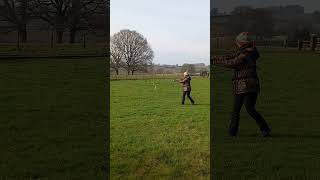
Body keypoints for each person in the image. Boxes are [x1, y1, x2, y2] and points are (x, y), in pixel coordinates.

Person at [212, 32, 271, 137]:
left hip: (246, 85)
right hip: (246, 85)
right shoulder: (246, 51)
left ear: (242, 43)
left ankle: (263, 129)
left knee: (246, 109)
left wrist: (215, 62)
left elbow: (232, 63)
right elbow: (230, 57)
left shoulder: (245, 54)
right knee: (242, 109)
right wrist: (215, 58)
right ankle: (234, 132)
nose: (236, 44)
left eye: (238, 42)